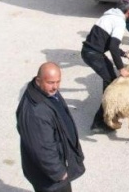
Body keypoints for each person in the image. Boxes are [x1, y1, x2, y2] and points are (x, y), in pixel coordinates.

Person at [17, 62, 85, 192]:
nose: (55, 87)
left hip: (55, 167)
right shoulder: (35, 112)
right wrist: (58, 172)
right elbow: (41, 149)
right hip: (50, 177)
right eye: (51, 82)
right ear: (38, 81)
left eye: (58, 82)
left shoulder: (46, 92)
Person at [81, 0, 129, 132]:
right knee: (110, 85)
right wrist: (122, 69)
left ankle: (109, 113)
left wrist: (124, 54)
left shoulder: (108, 16)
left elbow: (109, 43)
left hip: (88, 51)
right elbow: (113, 46)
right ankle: (100, 121)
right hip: (94, 54)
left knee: (110, 80)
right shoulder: (120, 22)